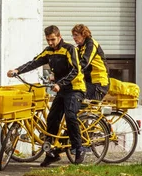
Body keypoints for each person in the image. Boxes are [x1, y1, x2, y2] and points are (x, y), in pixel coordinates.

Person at [7, 25, 87, 166]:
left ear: (59, 37)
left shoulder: (69, 49)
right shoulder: (49, 51)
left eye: (53, 39)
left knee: (70, 115)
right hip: (61, 90)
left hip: (75, 89)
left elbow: (75, 70)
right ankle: (51, 153)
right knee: (52, 119)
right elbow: (35, 62)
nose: (50, 43)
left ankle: (78, 148)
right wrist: (17, 70)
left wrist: (60, 83)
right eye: (48, 40)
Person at [71, 24, 110, 101]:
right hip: (89, 83)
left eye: (76, 35)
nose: (74, 38)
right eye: (73, 36)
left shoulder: (91, 44)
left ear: (84, 34)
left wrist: (69, 74)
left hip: (98, 84)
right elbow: (73, 63)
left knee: (73, 96)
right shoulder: (79, 48)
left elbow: (84, 63)